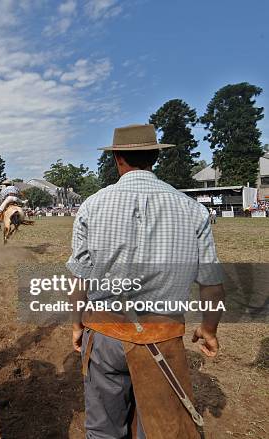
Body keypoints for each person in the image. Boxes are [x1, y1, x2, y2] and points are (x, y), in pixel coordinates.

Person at [67, 124, 224, 438]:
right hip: (162, 334)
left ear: (118, 159)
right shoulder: (192, 209)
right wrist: (209, 329)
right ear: (155, 157)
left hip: (104, 333)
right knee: (157, 429)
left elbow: (79, 278)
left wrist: (76, 324)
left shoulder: (92, 205)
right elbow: (212, 283)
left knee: (103, 430)